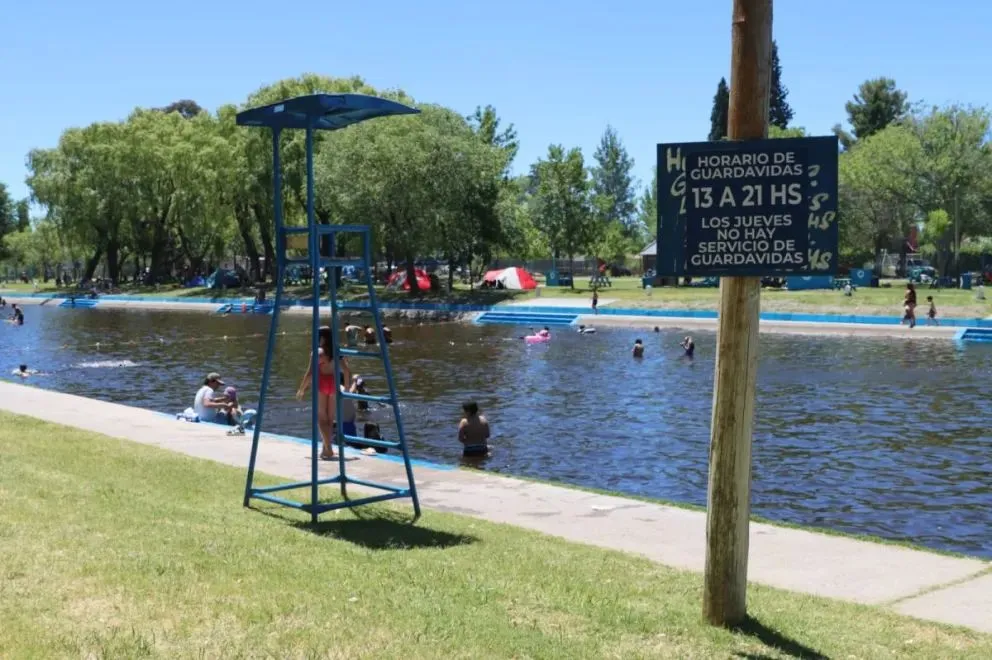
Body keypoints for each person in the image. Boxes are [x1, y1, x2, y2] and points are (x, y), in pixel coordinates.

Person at [297, 327, 351, 460]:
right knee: (330, 419)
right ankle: (325, 449)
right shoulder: (337, 351)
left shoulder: (317, 353)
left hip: (321, 385)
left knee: (321, 420)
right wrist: (348, 387)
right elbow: (347, 371)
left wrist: (301, 389)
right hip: (334, 384)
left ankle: (329, 448)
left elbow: (309, 373)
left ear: (321, 338)